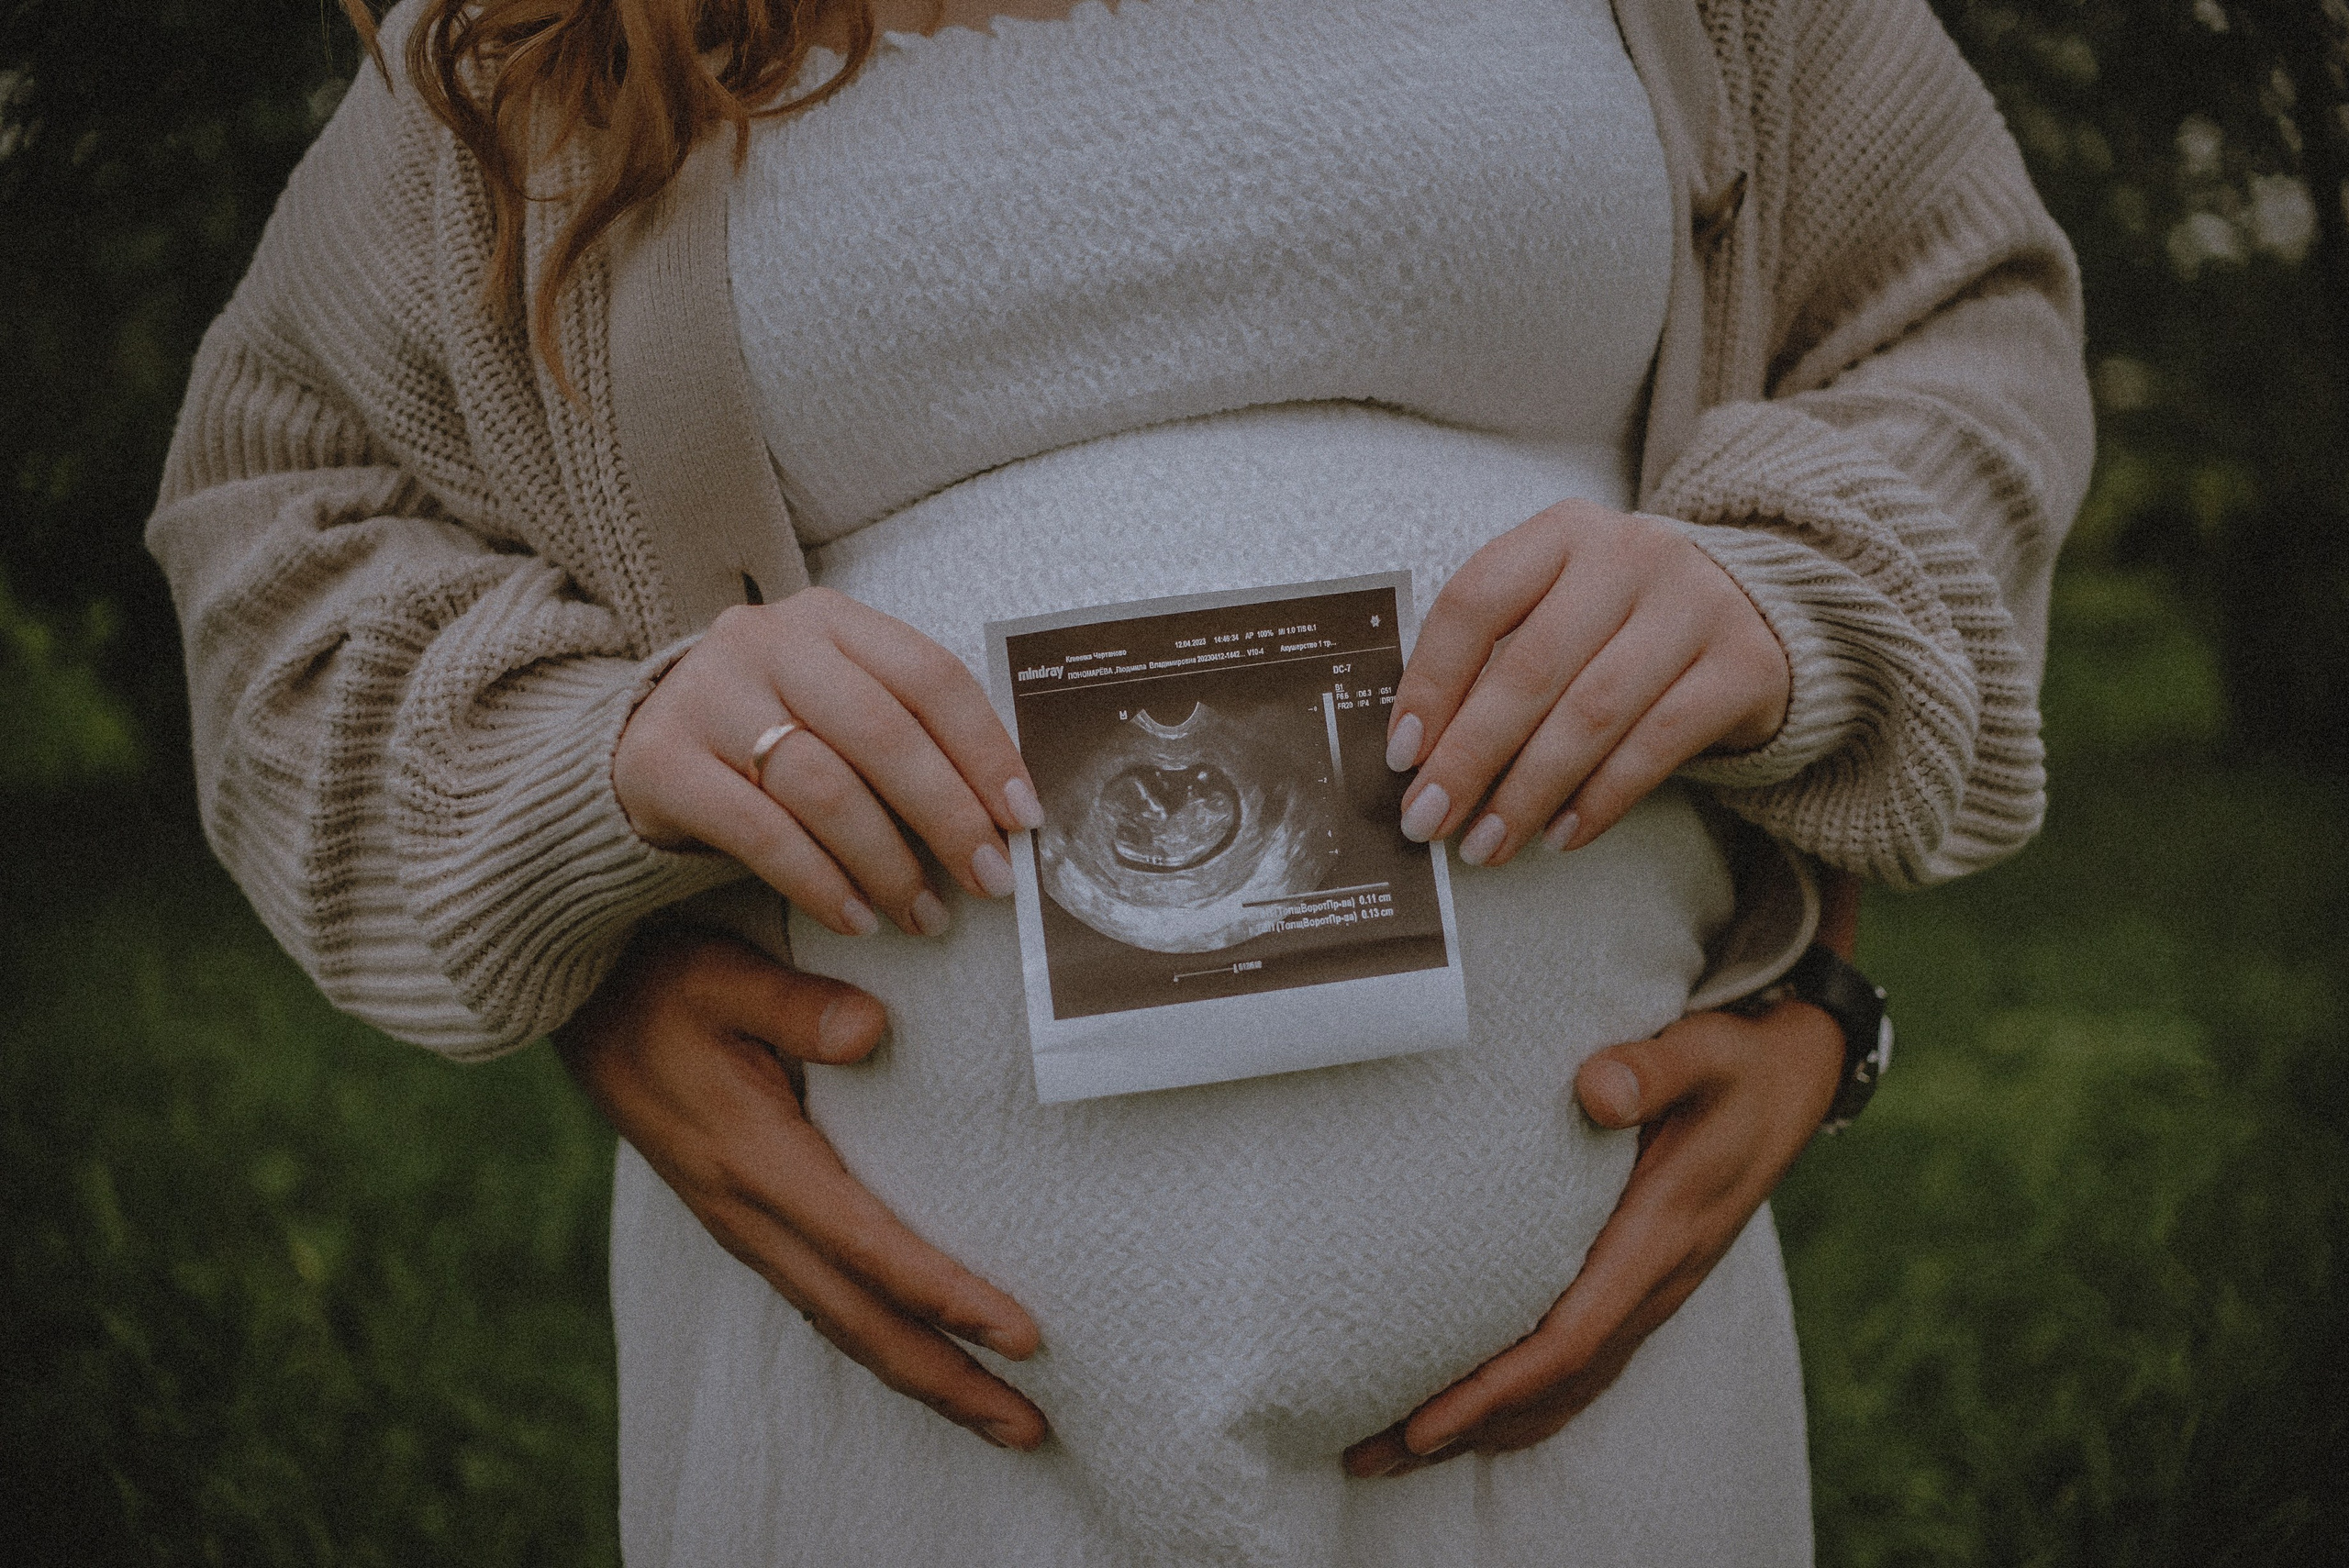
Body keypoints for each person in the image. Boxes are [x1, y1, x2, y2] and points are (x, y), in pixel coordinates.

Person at [148, 0, 2090, 1561]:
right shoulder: (542, 34)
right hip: (897, 1436)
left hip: (1586, 1390)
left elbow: (1952, 322)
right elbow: (279, 515)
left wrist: (1789, 605)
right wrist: (589, 770)